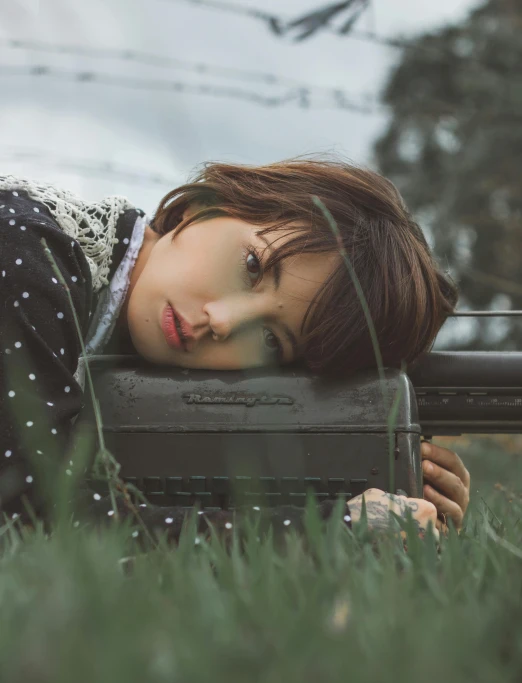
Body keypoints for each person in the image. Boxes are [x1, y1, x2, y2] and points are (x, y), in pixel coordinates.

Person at [0, 158, 470, 548]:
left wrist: (402, 483)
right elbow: (36, 514)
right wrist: (338, 528)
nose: (223, 321)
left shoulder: (97, 295)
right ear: (209, 206)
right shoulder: (29, 259)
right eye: (252, 266)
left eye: (271, 341)